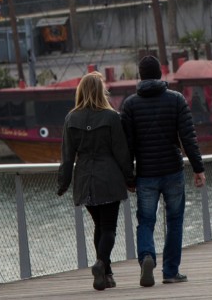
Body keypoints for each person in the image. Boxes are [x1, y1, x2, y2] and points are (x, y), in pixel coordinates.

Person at [121, 56, 206, 286]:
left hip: (146, 173)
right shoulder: (176, 100)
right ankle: (170, 272)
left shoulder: (130, 105)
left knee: (146, 221)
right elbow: (188, 137)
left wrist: (129, 177)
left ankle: (147, 256)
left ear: (140, 75)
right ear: (160, 74)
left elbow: (126, 146)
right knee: (175, 220)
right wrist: (198, 168)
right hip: (172, 170)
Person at [56, 72, 134, 291]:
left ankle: (106, 275)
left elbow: (67, 156)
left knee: (99, 225)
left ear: (80, 91)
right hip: (109, 178)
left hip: (84, 180)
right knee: (109, 227)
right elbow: (121, 152)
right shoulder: (111, 117)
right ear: (102, 92)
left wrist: (63, 184)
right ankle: (101, 264)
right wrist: (130, 178)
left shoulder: (71, 118)